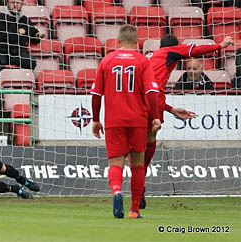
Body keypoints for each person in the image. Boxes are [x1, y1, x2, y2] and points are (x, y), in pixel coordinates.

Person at [142, 34, 234, 209]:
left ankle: (134, 177)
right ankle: (139, 182)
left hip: (136, 99)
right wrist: (220, 45)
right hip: (151, 101)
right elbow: (196, 50)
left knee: (137, 143)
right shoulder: (170, 51)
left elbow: (151, 91)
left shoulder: (150, 57)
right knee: (149, 139)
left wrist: (171, 109)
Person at [91, 25, 161, 219]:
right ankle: (134, 210)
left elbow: (96, 94)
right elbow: (152, 92)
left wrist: (96, 120)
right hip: (138, 120)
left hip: (114, 120)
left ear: (118, 41)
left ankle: (116, 191)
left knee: (116, 162)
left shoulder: (107, 60)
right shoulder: (142, 61)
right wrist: (155, 116)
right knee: (137, 164)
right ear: (137, 42)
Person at [0, 0, 42, 87]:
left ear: (22, 4)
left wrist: (37, 36)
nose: (15, 5)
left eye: (18, 2)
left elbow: (32, 34)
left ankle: (22, 87)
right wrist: (18, 33)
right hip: (0, 50)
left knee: (30, 62)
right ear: (7, 3)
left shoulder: (24, 19)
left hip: (17, 52)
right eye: (12, 2)